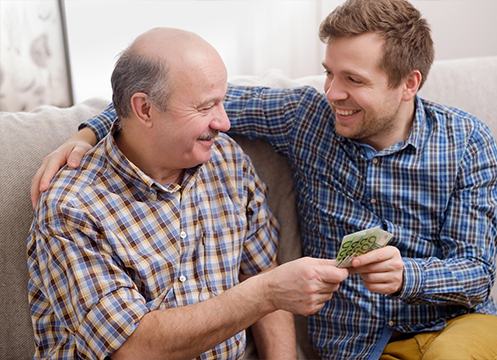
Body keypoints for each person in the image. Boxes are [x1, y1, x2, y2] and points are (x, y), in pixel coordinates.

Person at [31, 0, 497, 359]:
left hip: (454, 326)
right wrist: (91, 131)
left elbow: (477, 270)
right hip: (358, 348)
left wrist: (408, 276)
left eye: (353, 80)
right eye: (328, 73)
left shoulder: (466, 142)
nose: (331, 92)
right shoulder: (305, 117)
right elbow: (168, 104)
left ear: (409, 84)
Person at [27, 27, 350, 360]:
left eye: (222, 102)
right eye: (205, 107)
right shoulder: (71, 205)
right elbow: (131, 347)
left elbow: (262, 269)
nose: (223, 122)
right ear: (145, 110)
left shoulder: (226, 160)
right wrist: (265, 295)